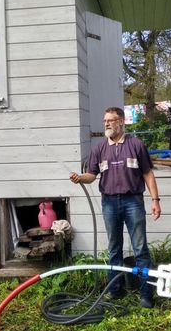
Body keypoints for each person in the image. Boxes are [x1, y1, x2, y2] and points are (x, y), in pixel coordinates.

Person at [69, 106, 161, 308]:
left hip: (133, 202)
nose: (106, 124)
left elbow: (148, 174)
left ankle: (146, 295)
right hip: (109, 203)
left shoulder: (136, 145)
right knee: (114, 249)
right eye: (105, 121)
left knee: (140, 249)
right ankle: (115, 291)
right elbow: (91, 176)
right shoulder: (99, 149)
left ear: (121, 122)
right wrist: (80, 178)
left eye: (110, 120)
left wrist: (155, 200)